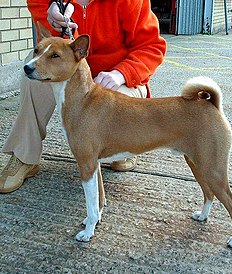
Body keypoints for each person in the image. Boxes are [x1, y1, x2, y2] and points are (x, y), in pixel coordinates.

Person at [0, 0, 167, 193]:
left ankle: (123, 149)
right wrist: (54, 22)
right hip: (71, 70)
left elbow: (152, 46)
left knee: (118, 102)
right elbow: (50, 47)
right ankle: (24, 154)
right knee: (35, 70)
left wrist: (122, 73)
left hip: (118, 76)